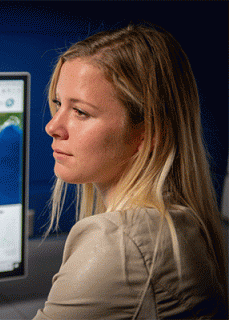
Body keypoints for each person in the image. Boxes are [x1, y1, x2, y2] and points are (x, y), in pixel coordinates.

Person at [34, 24, 228, 320]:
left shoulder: (119, 245)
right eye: (59, 104)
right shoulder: (172, 223)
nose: (53, 127)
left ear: (147, 134)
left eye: (81, 112)